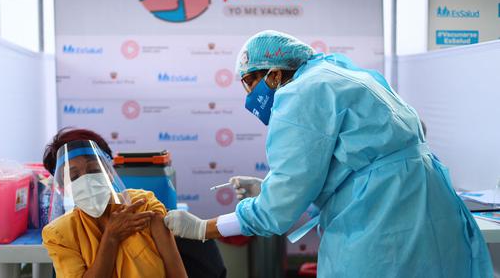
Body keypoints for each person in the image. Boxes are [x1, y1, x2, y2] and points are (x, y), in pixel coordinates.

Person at [164, 30, 494, 277]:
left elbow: (277, 212)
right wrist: (269, 187)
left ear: (275, 74)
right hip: (422, 205)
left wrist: (201, 228)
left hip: (385, 223)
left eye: (250, 83)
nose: (249, 96)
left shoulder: (299, 94)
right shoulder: (337, 75)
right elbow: (356, 161)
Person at [41, 129, 187, 278]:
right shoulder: (60, 234)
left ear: (110, 171)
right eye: (74, 176)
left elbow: (177, 274)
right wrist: (111, 237)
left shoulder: (143, 205)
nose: (86, 181)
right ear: (62, 188)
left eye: (94, 169)